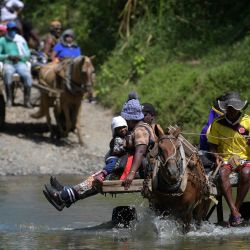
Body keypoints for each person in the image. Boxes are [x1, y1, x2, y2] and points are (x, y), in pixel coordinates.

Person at [43, 115, 129, 211]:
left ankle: (64, 196)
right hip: (116, 169)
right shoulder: (122, 143)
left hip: (118, 171)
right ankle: (66, 193)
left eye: (124, 127)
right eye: (119, 128)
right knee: (92, 179)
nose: (122, 130)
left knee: (93, 181)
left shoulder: (123, 146)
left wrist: (103, 173)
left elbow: (115, 162)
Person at [207, 91, 250, 226]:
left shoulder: (248, 121)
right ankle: (234, 211)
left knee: (246, 173)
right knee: (222, 175)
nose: (231, 110)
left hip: (246, 159)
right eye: (229, 108)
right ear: (225, 108)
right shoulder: (217, 123)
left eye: (234, 108)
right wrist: (216, 156)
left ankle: (234, 211)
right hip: (226, 160)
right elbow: (212, 147)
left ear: (239, 108)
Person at [0, 21, 32, 108]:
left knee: (27, 76)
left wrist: (20, 57)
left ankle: (27, 100)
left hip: (20, 62)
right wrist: (8, 56)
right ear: (7, 30)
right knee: (7, 74)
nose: (12, 31)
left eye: (14, 29)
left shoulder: (21, 40)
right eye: (11, 29)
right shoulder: (2, 41)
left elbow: (27, 53)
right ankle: (9, 99)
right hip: (8, 63)